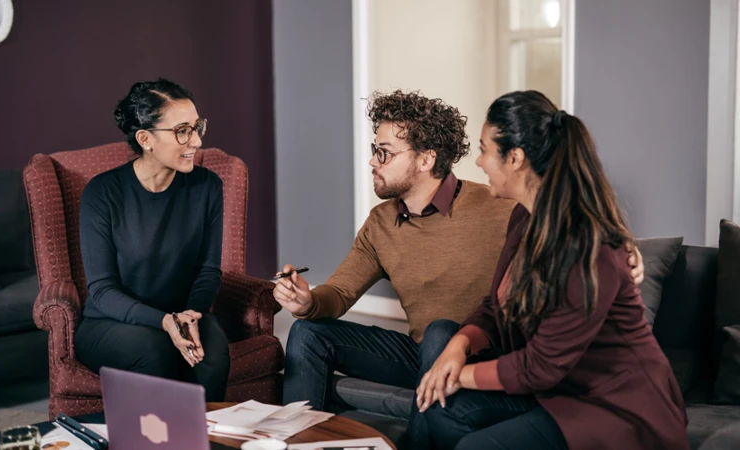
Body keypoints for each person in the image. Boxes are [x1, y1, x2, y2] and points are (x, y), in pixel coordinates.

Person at [274, 90, 645, 440]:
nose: (372, 160)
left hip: (485, 352)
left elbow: (572, 223)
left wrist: (627, 245)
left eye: (384, 152)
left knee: (441, 330)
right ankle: (290, 444)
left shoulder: (501, 205)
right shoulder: (381, 222)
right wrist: (307, 302)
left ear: (425, 159)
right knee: (310, 333)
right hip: (423, 353)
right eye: (375, 149)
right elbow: (339, 292)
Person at [415, 90, 688, 450]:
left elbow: (540, 365)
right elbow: (498, 308)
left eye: (484, 150)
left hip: (617, 407)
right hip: (557, 391)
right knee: (441, 410)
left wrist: (458, 374)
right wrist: (459, 345)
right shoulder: (524, 218)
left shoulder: (587, 245)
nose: (479, 162)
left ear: (514, 158)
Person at [73, 78, 230, 401]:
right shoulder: (102, 193)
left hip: (184, 313)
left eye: (197, 127)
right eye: (182, 130)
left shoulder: (207, 187)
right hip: (111, 323)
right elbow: (102, 291)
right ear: (145, 139)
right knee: (155, 349)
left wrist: (190, 315)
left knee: (212, 355)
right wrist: (163, 321)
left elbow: (208, 269)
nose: (196, 141)